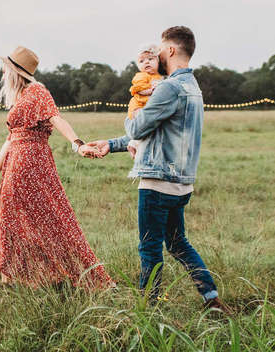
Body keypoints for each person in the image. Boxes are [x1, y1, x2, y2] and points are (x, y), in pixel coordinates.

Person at [87, 26, 230, 312]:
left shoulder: (169, 87)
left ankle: (148, 309)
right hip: (181, 184)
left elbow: (139, 127)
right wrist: (112, 144)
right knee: (178, 244)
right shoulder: (193, 87)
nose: (157, 55)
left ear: (172, 50)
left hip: (157, 183)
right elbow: (157, 133)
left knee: (150, 248)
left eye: (161, 50)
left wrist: (133, 115)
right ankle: (211, 298)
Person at [0, 46, 114, 289]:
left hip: (32, 163)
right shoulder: (19, 97)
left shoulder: (37, 92)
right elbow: (10, 140)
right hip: (14, 163)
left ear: (15, 71)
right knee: (12, 219)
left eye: (5, 68)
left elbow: (56, 118)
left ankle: (66, 274)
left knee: (50, 217)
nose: (2, 72)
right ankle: (17, 276)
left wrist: (78, 145)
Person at [126, 44, 164, 159]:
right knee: (145, 124)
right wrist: (151, 90)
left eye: (150, 59)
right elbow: (138, 89)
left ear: (158, 61)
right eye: (142, 61)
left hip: (148, 106)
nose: (146, 62)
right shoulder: (141, 76)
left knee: (150, 128)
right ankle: (135, 144)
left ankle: (134, 144)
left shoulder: (159, 76)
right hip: (138, 106)